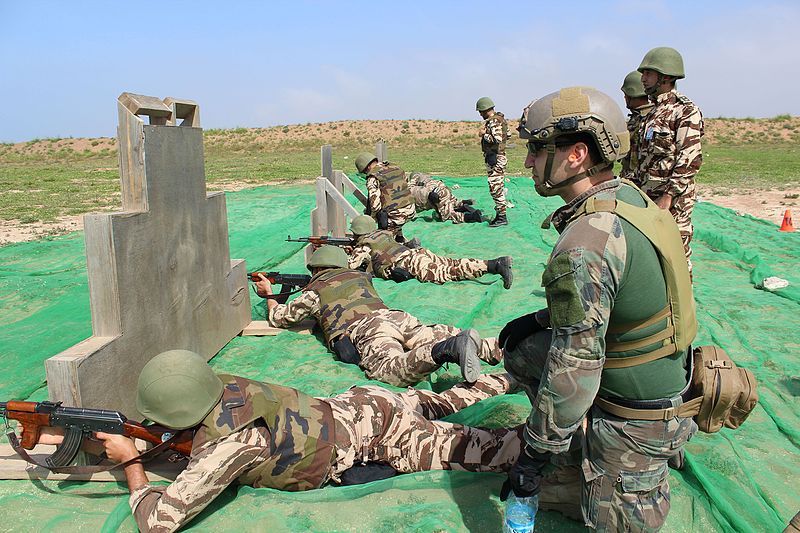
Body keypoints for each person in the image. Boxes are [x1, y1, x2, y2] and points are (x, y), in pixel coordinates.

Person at [24, 350, 523, 532]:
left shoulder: (230, 443)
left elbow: (158, 522)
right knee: (437, 401)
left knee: (495, 449)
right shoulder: (218, 381)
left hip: (384, 438)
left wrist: (132, 464)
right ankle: (509, 379)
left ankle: (576, 430)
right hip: (361, 402)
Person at [500, 86, 697, 531]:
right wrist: (539, 320)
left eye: (537, 149)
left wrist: (534, 455)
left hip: (639, 416)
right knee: (524, 347)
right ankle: (582, 459)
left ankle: (611, 471)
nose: (528, 162)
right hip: (662, 377)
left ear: (577, 155)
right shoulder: (628, 197)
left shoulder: (586, 243)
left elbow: (575, 370)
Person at [255, 245, 504, 386]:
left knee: (390, 371)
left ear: (317, 269)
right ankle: (504, 349)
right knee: (431, 334)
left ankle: (446, 349)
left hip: (368, 330)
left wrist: (269, 295)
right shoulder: (358, 276)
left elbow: (280, 318)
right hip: (396, 317)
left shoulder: (316, 290)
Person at [635, 47, 704, 274]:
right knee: (654, 262)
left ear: (665, 77)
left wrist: (669, 196)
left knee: (677, 263)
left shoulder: (685, 111)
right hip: (649, 200)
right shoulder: (653, 113)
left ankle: (683, 310)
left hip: (672, 205)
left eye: (648, 74)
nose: (643, 79)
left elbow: (689, 158)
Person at [347, 215, 513, 288]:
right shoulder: (382, 233)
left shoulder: (365, 245)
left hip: (408, 263)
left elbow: (350, 266)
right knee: (451, 262)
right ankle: (492, 263)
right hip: (416, 253)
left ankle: (494, 265)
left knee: (446, 273)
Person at [354, 152, 416, 242]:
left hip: (396, 216)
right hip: (411, 209)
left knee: (383, 244)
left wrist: (371, 219)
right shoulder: (395, 167)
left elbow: (375, 206)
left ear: (367, 168)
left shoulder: (373, 177)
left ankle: (406, 248)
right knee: (395, 223)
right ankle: (400, 238)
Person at [476, 97, 510, 227]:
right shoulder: (500, 119)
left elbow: (497, 139)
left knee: (495, 187)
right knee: (496, 186)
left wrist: (483, 134)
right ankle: (500, 214)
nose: (480, 114)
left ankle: (502, 216)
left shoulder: (494, 121)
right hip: (497, 157)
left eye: (481, 111)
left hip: (496, 158)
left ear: (485, 109)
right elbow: (509, 135)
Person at [619, 70, 654, 183]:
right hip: (632, 179)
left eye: (626, 95)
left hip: (641, 182)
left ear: (632, 94)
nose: (624, 98)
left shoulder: (649, 118)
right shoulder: (636, 118)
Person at [407, 171, 483, 224]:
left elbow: (411, 191)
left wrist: (429, 195)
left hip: (434, 194)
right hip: (442, 187)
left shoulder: (412, 183)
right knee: (450, 202)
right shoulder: (424, 178)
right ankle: (462, 205)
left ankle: (472, 216)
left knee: (448, 215)